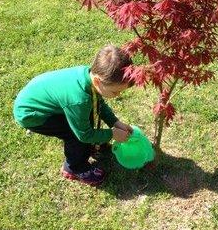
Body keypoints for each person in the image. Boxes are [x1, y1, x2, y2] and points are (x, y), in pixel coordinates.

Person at [13, 45, 133, 186]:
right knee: (74, 134)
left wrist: (115, 123)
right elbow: (84, 134)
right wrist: (111, 134)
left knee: (84, 118)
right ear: (97, 81)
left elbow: (98, 103)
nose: (118, 95)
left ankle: (94, 145)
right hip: (32, 114)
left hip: (48, 104)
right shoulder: (79, 100)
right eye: (115, 92)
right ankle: (74, 168)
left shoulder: (89, 76)